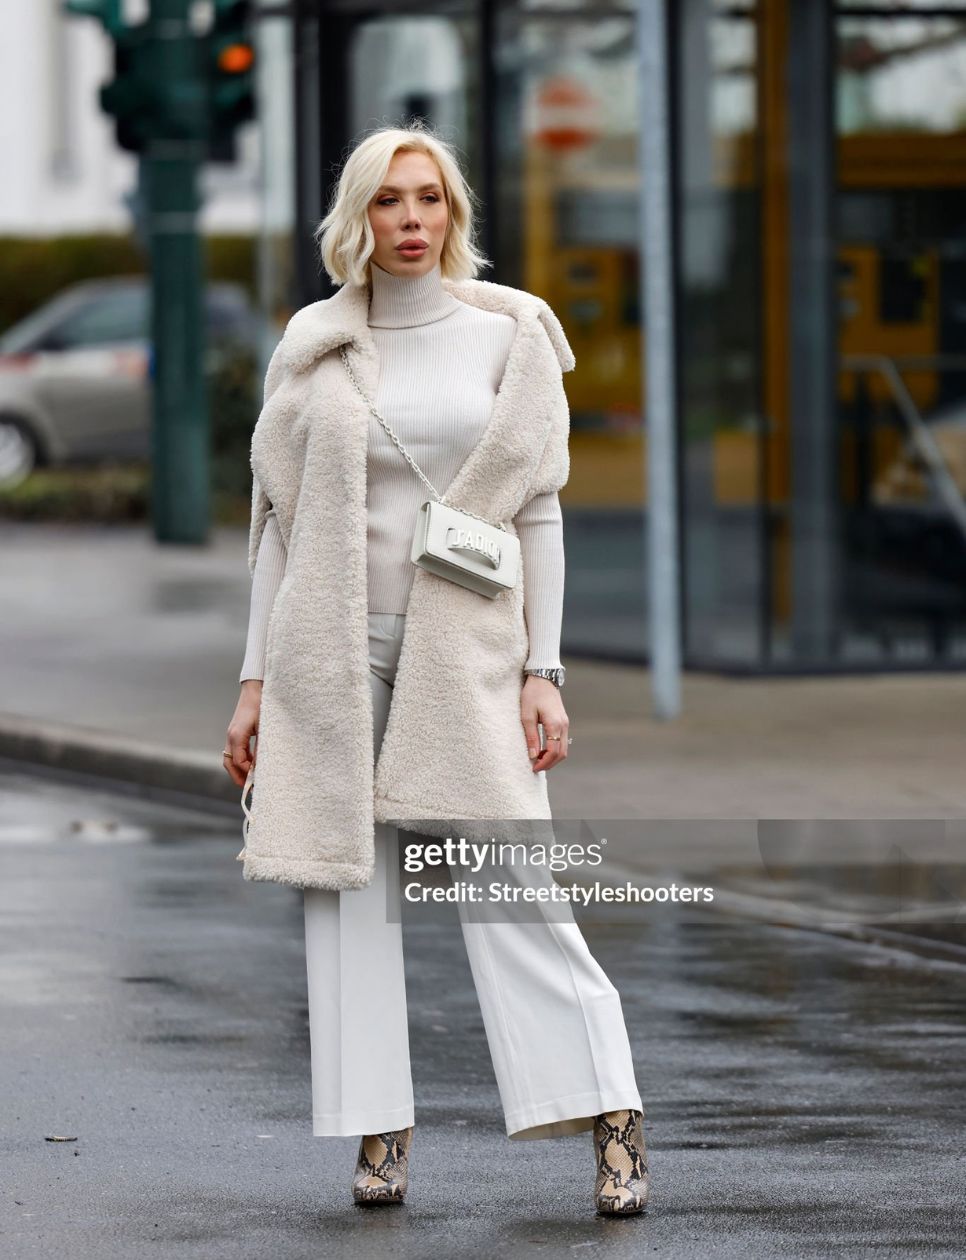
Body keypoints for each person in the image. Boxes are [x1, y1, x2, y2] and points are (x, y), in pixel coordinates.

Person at [223, 122, 650, 1216]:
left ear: (454, 214)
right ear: (356, 219)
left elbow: (542, 514)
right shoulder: (314, 344)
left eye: (429, 200)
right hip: (332, 653)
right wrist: (252, 682)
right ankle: (379, 1128)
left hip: (466, 659)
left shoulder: (508, 341)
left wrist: (544, 670)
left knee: (514, 894)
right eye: (387, 202)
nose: (410, 221)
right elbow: (276, 523)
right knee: (342, 894)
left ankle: (611, 1114)